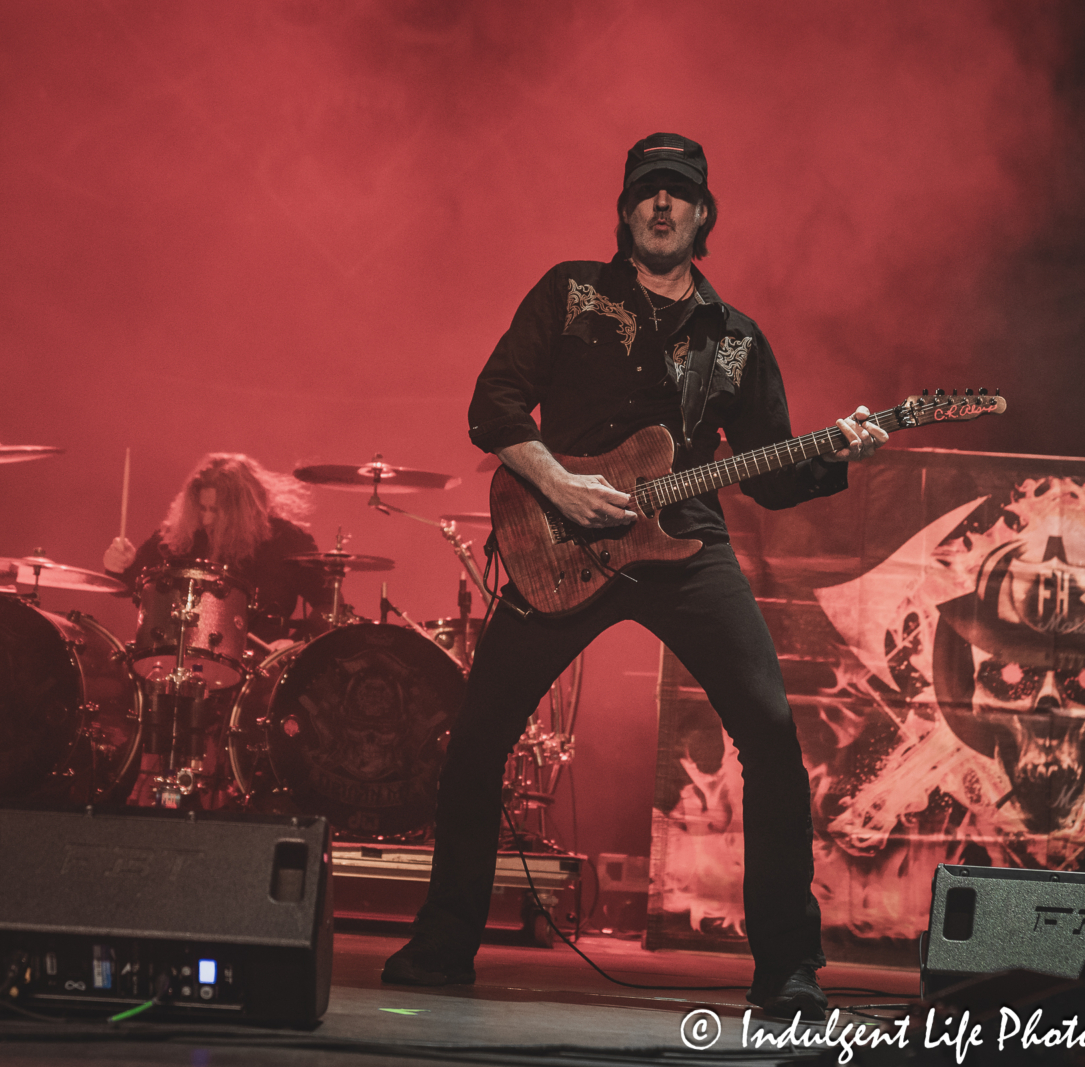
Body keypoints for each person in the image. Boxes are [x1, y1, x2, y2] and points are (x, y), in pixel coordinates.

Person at [380, 133, 889, 1019]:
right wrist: (562, 486)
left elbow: (768, 472)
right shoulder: (572, 291)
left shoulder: (735, 340)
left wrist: (835, 453)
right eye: (646, 191)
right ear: (624, 211)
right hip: (560, 541)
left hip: (685, 549)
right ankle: (443, 940)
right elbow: (492, 403)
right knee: (476, 739)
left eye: (679, 193)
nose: (662, 205)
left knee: (770, 735)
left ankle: (787, 967)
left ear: (703, 216)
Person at [103, 453, 330, 645]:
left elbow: (329, 605)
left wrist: (297, 643)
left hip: (261, 672)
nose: (208, 519)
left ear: (246, 508)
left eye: (216, 511)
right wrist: (118, 566)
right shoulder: (184, 533)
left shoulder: (286, 539)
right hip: (179, 659)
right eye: (202, 509)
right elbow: (129, 587)